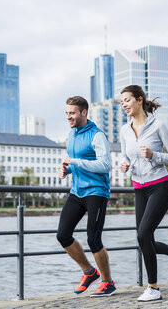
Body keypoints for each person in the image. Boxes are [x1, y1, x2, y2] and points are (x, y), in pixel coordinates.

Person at [119, 85, 168, 302]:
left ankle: (153, 288)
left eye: (127, 100)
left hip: (160, 187)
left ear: (139, 100)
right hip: (139, 187)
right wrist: (124, 164)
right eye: (122, 102)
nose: (124, 105)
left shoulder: (158, 126)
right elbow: (126, 155)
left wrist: (154, 155)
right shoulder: (124, 130)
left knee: (143, 234)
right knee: (143, 238)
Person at [57, 96, 117, 297]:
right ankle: (89, 272)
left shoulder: (96, 135)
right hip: (77, 191)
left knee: (94, 239)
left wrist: (74, 161)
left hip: (96, 192)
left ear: (83, 112)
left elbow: (105, 165)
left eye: (72, 113)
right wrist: (68, 170)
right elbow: (80, 163)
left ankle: (108, 283)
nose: (69, 117)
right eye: (66, 113)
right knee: (63, 235)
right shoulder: (72, 134)